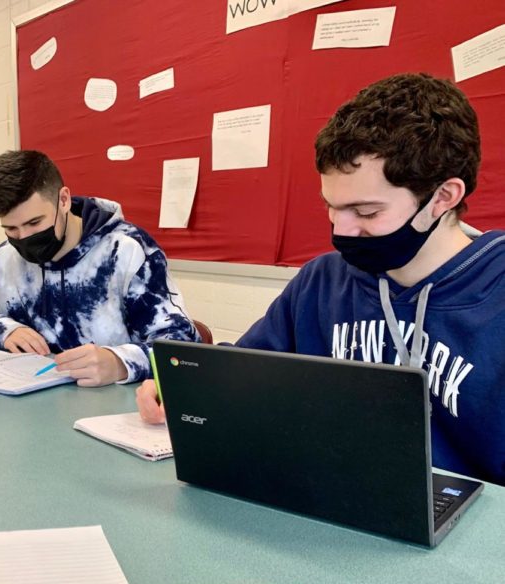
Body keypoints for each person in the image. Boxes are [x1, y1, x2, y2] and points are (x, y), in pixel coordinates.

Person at [137, 73, 504, 486]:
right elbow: (248, 374)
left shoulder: (495, 294)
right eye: (331, 206)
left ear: (443, 197)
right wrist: (183, 386)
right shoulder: (322, 281)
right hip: (332, 495)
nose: (342, 229)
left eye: (366, 212)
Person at [0, 150, 200, 386]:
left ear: (63, 200)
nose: (24, 237)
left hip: (112, 409)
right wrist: (2, 330)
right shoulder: (2, 261)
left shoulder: (127, 251)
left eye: (34, 223)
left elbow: (181, 347)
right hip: (30, 409)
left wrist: (120, 362)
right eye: (11, 228)